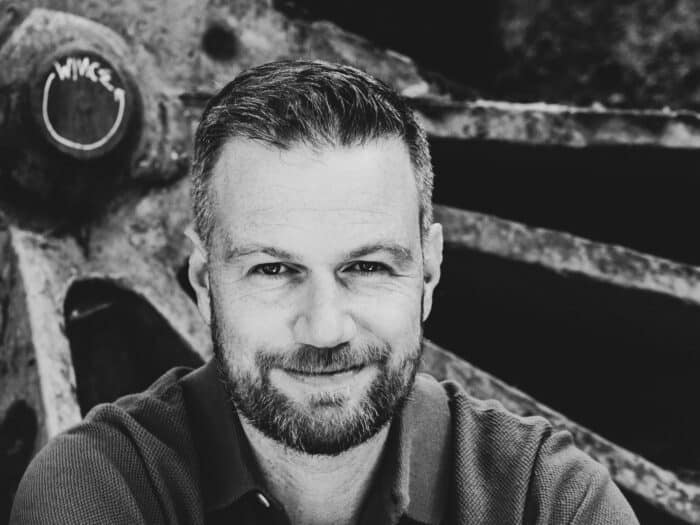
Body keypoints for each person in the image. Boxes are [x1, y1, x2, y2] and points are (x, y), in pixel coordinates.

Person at [11, 60, 638, 525]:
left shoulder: (543, 498)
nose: (324, 328)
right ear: (204, 282)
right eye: (274, 271)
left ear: (429, 271)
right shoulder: (101, 488)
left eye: (366, 268)